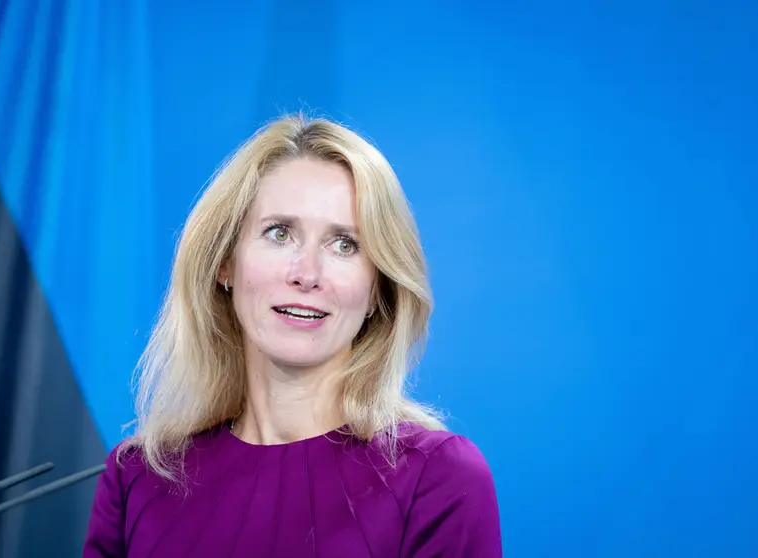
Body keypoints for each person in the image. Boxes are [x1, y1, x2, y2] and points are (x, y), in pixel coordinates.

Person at [83, 114, 502, 557]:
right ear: (225, 262)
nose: (307, 274)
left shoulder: (437, 479)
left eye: (345, 245)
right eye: (279, 233)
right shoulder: (139, 479)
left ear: (378, 288)